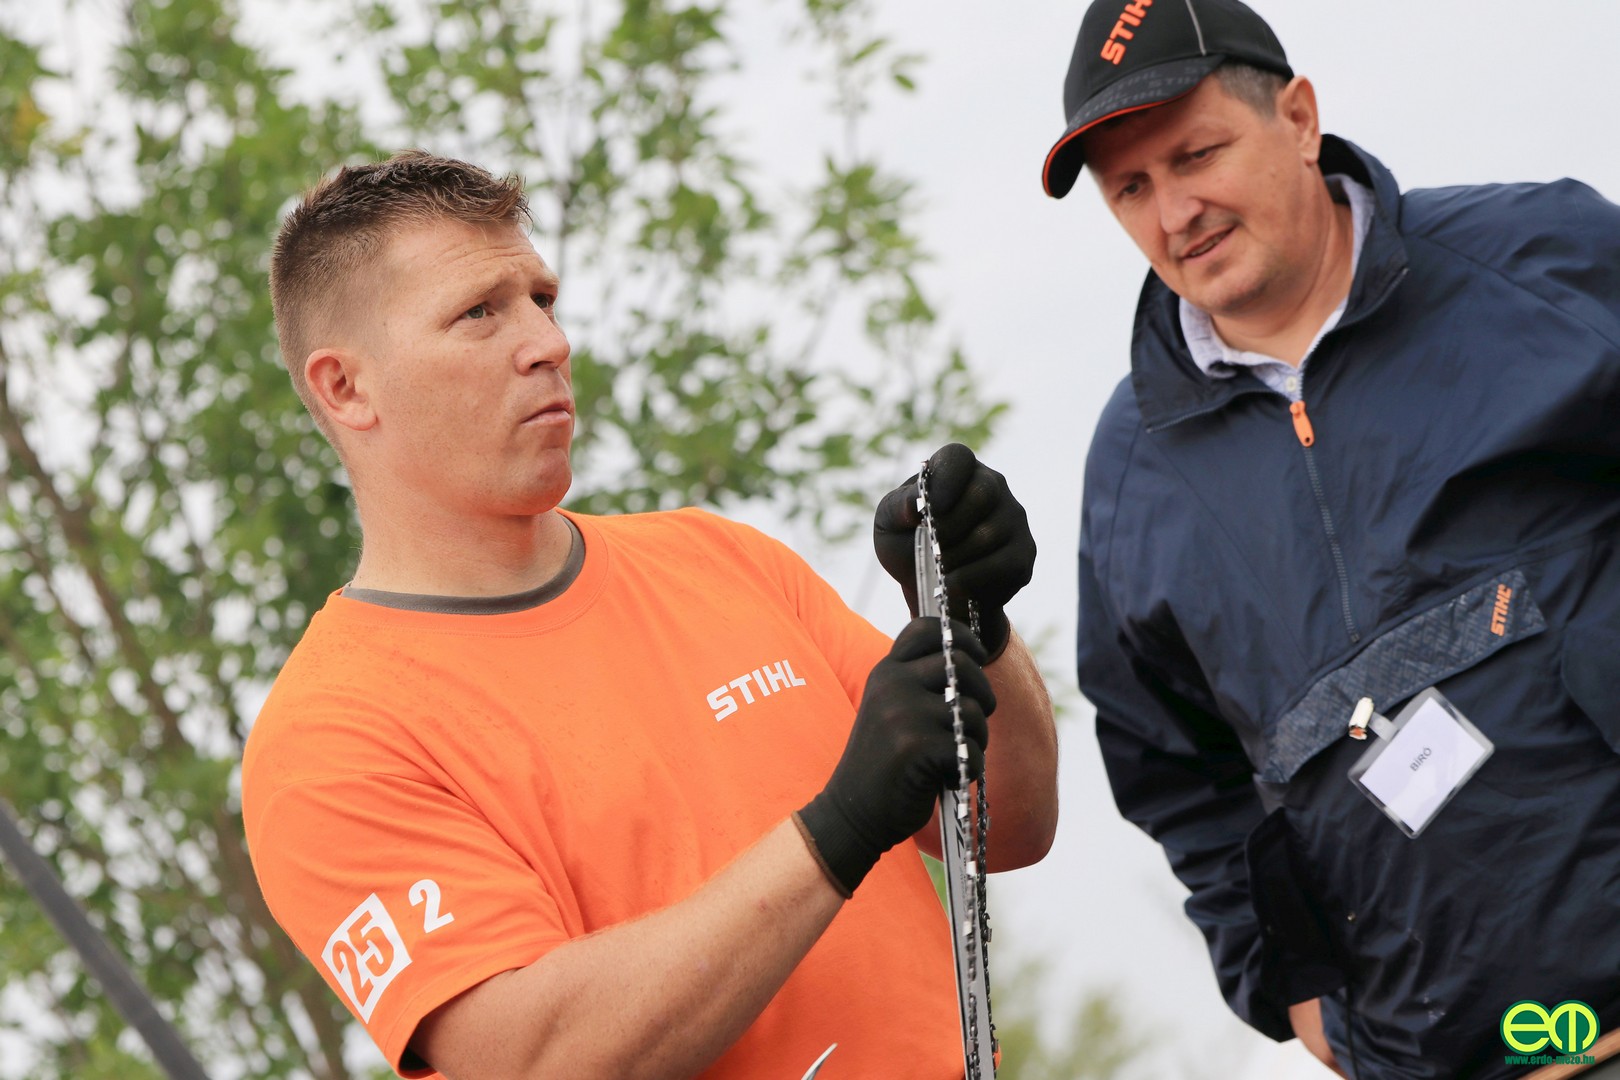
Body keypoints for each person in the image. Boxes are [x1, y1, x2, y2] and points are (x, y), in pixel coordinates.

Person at [241, 150, 1058, 1079]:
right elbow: (537, 1059)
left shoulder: (718, 559)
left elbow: (1013, 823)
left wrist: (976, 625)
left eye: (542, 299)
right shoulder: (329, 739)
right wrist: (840, 825)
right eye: (479, 313)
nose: (547, 343)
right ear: (345, 388)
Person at [1047, 1, 1620, 1077]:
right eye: (1131, 189)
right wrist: (1290, 983)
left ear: (1300, 117)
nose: (1175, 211)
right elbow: (1175, 773)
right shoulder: (1130, 471)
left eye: (1196, 155)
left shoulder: (1551, 263)